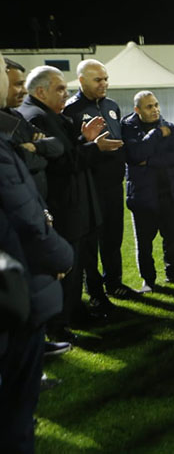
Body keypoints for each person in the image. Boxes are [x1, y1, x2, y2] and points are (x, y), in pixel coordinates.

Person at [0, 53, 72, 453]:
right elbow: (26, 218)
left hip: (21, 281)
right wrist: (59, 256)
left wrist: (35, 149)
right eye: (9, 78)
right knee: (15, 412)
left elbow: (57, 149)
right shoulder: (14, 130)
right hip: (17, 282)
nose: (17, 88)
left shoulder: (13, 123)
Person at [18, 66, 119, 341]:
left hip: (75, 205)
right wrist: (94, 147)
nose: (66, 93)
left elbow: (67, 151)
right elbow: (60, 163)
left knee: (77, 265)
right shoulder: (36, 117)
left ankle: (74, 313)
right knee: (64, 268)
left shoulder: (49, 115)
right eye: (60, 88)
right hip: (63, 207)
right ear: (41, 92)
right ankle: (59, 326)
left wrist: (84, 139)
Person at [63, 60, 135, 299]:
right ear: (81, 80)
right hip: (89, 187)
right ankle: (95, 292)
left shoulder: (112, 105)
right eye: (98, 80)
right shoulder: (70, 110)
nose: (104, 84)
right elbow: (71, 152)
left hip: (114, 185)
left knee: (113, 237)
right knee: (90, 242)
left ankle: (114, 283)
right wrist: (93, 146)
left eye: (105, 79)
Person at [121, 91, 174, 293]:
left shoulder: (170, 127)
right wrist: (156, 135)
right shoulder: (128, 128)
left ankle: (173, 273)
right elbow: (135, 155)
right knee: (144, 243)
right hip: (143, 196)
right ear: (137, 110)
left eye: (156, 105)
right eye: (149, 106)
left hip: (169, 193)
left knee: (173, 237)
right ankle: (148, 280)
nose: (155, 109)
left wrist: (149, 161)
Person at [1, 59, 64, 199]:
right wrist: (43, 155)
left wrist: (35, 146)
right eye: (18, 84)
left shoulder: (15, 115)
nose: (24, 91)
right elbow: (20, 162)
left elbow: (57, 146)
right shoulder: (30, 116)